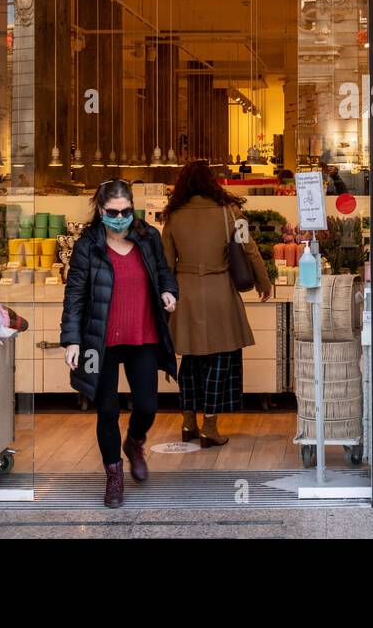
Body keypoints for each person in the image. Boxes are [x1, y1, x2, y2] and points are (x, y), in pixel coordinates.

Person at [61, 179, 179, 508]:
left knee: (147, 405)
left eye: (126, 211)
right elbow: (75, 295)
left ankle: (135, 442)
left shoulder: (148, 237)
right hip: (100, 343)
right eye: (113, 212)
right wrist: (72, 340)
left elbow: (164, 272)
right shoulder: (88, 245)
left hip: (142, 335)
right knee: (108, 410)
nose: (120, 217)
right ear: (101, 211)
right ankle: (114, 477)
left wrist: (169, 291)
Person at [161, 160, 271, 447]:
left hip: (185, 294)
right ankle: (210, 426)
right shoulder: (231, 213)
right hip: (220, 292)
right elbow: (251, 250)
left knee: (190, 360)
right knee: (220, 359)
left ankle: (188, 423)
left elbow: (165, 264)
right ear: (211, 181)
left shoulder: (173, 217)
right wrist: (264, 283)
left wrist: (164, 296)